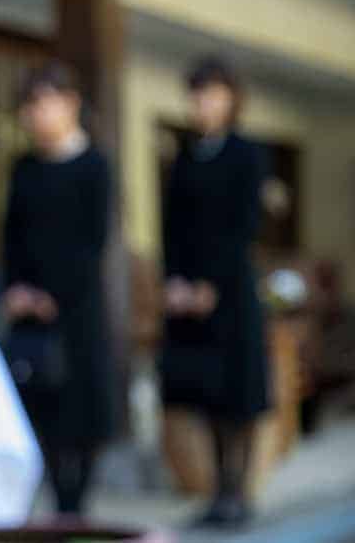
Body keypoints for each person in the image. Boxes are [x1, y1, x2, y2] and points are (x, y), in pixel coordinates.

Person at [0, 61, 114, 516]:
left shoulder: (94, 165)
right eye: (30, 105)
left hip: (78, 307)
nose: (37, 113)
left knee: (82, 410)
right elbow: (10, 234)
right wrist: (16, 290)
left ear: (70, 104)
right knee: (39, 407)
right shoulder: (24, 167)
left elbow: (94, 241)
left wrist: (56, 296)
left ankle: (75, 503)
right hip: (29, 310)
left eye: (46, 102)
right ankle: (56, 504)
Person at [161, 57, 268, 528]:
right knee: (204, 395)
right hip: (188, 297)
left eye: (211, 93)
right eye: (197, 94)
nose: (202, 103)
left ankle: (237, 491)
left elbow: (243, 225)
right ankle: (214, 492)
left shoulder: (247, 154)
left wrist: (211, 285)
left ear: (230, 99)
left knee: (236, 396)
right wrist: (177, 282)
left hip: (231, 292)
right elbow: (173, 228)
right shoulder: (185, 157)